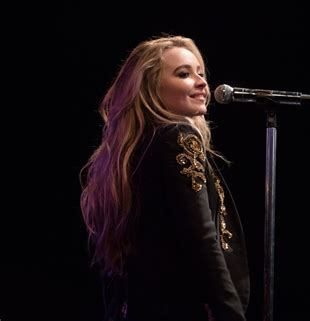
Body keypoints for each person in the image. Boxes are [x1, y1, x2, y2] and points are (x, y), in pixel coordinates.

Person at [80, 35, 250, 321]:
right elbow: (202, 236)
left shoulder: (129, 152)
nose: (201, 83)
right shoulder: (178, 138)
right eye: (184, 74)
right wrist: (229, 312)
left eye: (200, 72)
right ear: (150, 89)